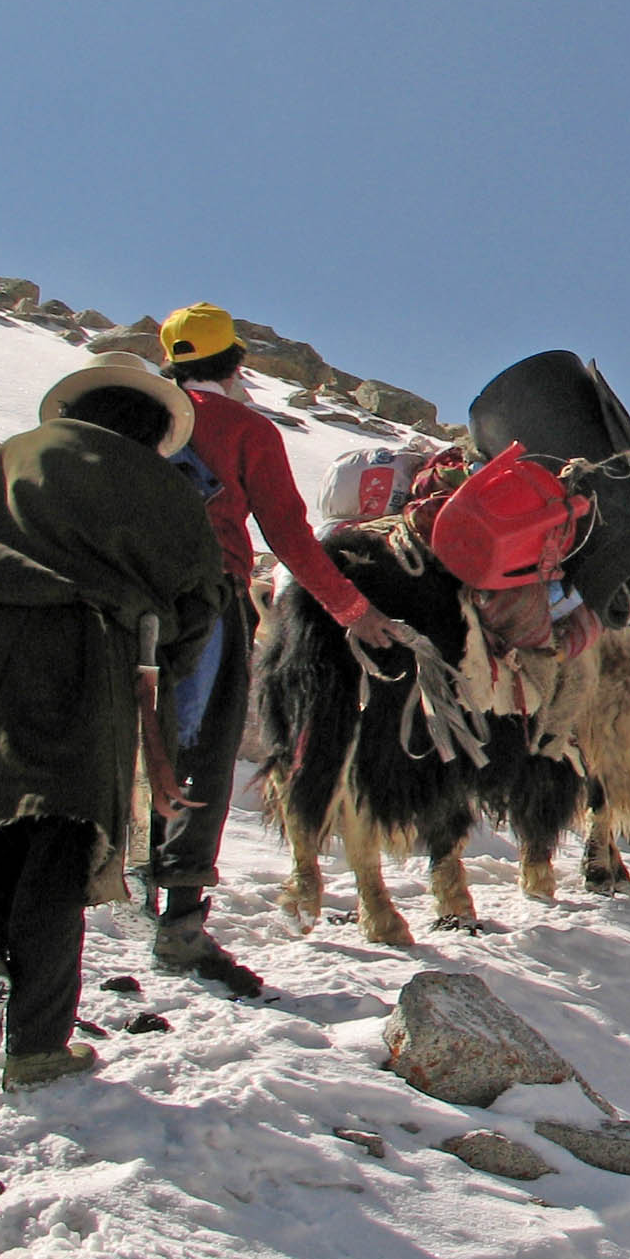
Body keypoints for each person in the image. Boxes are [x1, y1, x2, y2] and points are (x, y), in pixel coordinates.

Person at [0, 356, 225, 1089]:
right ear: (155, 428)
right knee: (60, 839)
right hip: (97, 656)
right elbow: (200, 602)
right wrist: (161, 678)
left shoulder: (13, 457)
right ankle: (38, 1046)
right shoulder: (165, 488)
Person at [152, 303, 401, 985]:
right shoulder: (245, 428)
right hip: (209, 599)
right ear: (236, 363)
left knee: (142, 740)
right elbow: (289, 534)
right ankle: (181, 920)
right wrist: (352, 610)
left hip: (127, 596)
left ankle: (133, 891)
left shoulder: (134, 416)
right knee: (204, 753)